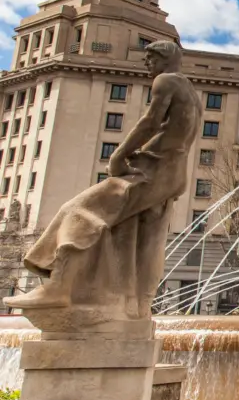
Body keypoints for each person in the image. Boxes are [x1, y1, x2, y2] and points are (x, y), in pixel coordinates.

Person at [5, 41, 199, 312]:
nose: (146, 63)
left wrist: (119, 155)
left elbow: (151, 121)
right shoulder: (190, 91)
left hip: (152, 171)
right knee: (142, 240)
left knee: (78, 211)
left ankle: (60, 287)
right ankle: (134, 304)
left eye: (150, 58)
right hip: (173, 175)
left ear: (164, 58)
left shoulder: (165, 81)